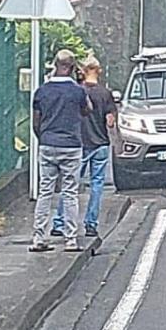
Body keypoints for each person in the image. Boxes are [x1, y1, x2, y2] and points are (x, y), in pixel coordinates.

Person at [30, 50, 91, 253]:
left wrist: (44, 139)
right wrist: (81, 83)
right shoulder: (77, 92)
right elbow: (87, 110)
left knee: (45, 191)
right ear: (73, 68)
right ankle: (70, 239)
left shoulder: (42, 91)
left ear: (55, 65)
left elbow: (35, 123)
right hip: (71, 146)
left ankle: (39, 237)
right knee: (70, 192)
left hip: (48, 144)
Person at [52, 56, 115, 238]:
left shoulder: (77, 91)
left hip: (79, 143)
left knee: (70, 184)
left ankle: (59, 222)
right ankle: (91, 224)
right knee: (97, 185)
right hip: (101, 143)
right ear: (99, 70)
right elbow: (110, 122)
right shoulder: (105, 93)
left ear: (82, 70)